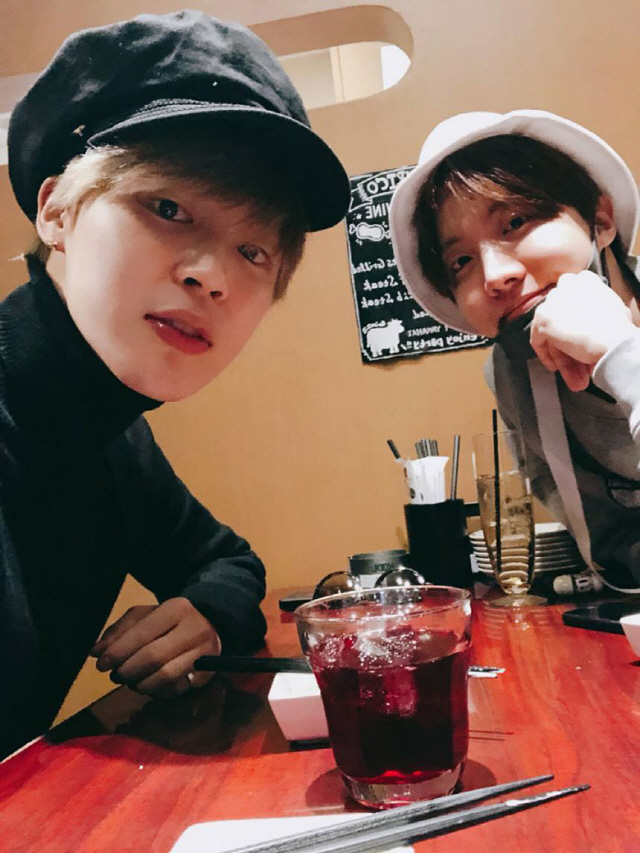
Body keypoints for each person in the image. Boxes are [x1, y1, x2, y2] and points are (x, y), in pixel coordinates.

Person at [2, 10, 349, 759]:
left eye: (253, 251)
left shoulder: (110, 434)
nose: (211, 275)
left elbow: (226, 560)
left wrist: (208, 614)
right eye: (167, 208)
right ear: (57, 210)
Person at [390, 110, 640, 587]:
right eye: (461, 260)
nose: (495, 275)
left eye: (516, 221)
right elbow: (609, 541)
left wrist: (622, 353)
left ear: (600, 219)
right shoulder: (513, 374)